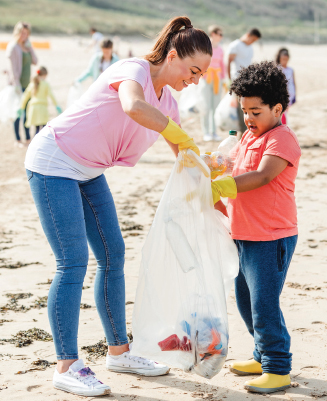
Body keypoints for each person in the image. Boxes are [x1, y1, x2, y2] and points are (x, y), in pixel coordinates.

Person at [24, 16, 212, 397]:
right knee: (73, 261)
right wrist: (175, 133)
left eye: (201, 75)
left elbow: (185, 160)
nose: (195, 80)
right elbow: (131, 105)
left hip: (89, 170)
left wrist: (213, 176)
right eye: (193, 71)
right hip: (54, 162)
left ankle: (119, 352)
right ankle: (66, 365)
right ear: (172, 56)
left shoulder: (170, 104)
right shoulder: (133, 70)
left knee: (113, 255)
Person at [211, 61, 301, 394]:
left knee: (264, 305)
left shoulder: (282, 140)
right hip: (243, 234)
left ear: (277, 109)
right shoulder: (249, 136)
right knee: (245, 302)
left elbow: (262, 175)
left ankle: (278, 368)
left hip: (271, 236)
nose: (249, 118)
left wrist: (221, 187)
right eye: (244, 110)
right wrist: (215, 166)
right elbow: (233, 165)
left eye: (257, 111)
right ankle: (261, 354)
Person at [6, 21, 38, 147]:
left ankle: (28, 137)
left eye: (26, 33)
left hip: (28, 84)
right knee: (18, 112)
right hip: (18, 85)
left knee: (27, 110)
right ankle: (18, 139)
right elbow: (13, 69)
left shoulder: (27, 46)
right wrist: (17, 86)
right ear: (17, 32)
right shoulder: (13, 47)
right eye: (22, 32)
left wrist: (30, 47)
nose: (24, 35)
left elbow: (35, 61)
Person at [227, 28, 261, 131]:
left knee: (248, 104)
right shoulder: (235, 45)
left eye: (255, 41)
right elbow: (228, 62)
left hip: (248, 80)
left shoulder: (250, 48)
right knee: (239, 106)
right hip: (236, 79)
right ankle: (242, 130)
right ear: (248, 35)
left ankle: (248, 128)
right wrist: (229, 79)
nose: (253, 42)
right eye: (253, 39)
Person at [19, 67, 62, 135]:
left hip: (33, 109)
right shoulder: (45, 84)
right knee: (44, 130)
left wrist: (21, 107)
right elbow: (51, 95)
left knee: (36, 129)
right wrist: (56, 105)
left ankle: (35, 143)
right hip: (42, 109)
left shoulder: (32, 84)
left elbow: (25, 96)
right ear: (44, 75)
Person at [200, 25, 225, 142]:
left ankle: (214, 131)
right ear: (213, 34)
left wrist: (224, 79)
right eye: (219, 34)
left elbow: (222, 65)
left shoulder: (220, 49)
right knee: (206, 106)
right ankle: (206, 132)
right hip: (206, 78)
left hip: (217, 79)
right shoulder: (205, 47)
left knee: (215, 106)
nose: (221, 37)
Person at [276, 48, 296, 126]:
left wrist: (295, 95)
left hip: (290, 94)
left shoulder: (291, 69)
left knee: (286, 111)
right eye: (283, 59)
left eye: (286, 59)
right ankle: (282, 126)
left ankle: (283, 125)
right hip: (281, 94)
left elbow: (293, 82)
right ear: (279, 58)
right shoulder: (277, 69)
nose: (285, 61)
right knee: (282, 111)